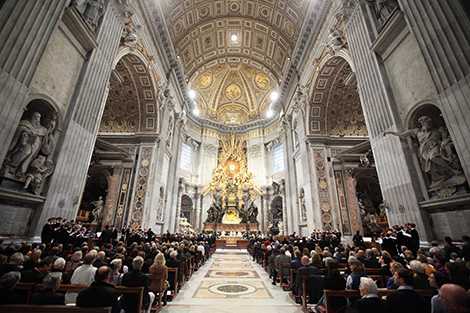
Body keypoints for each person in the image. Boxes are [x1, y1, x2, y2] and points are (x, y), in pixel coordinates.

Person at [384, 115, 465, 189]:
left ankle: (452, 169)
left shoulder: (437, 130)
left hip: (435, 147)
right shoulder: (417, 132)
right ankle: (442, 176)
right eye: (425, 123)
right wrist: (391, 132)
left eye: (428, 123)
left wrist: (444, 144)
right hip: (424, 151)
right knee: (430, 166)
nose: (428, 125)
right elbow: (403, 134)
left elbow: (445, 138)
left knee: (433, 156)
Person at [5, 111, 48, 177]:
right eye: (35, 117)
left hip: (35, 144)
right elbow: (21, 127)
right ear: (32, 117)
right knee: (26, 152)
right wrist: (26, 131)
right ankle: (11, 165)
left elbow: (44, 132)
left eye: (38, 117)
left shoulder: (41, 128)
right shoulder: (26, 123)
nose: (37, 119)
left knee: (30, 156)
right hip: (26, 141)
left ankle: (21, 172)